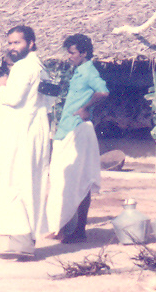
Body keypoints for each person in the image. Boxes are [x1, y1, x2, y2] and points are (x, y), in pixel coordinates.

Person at [0, 25, 53, 261]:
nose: (12, 47)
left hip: (21, 134)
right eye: (10, 43)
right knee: (25, 182)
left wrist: (1, 86)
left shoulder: (24, 67)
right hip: (28, 130)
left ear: (30, 43)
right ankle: (22, 241)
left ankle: (22, 241)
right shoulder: (41, 68)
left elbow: (12, 99)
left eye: (17, 43)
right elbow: (48, 102)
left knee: (15, 183)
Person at [45, 33, 109, 244]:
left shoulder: (89, 71)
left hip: (78, 130)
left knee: (78, 181)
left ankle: (78, 230)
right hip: (66, 129)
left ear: (84, 53)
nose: (69, 57)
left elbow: (103, 92)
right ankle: (60, 228)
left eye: (72, 53)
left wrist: (85, 107)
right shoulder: (78, 71)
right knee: (62, 180)